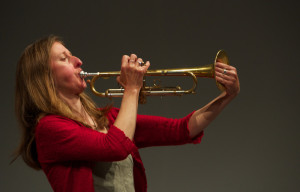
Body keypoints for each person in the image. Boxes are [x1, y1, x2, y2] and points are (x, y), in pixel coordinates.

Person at [13, 35, 240, 192]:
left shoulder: (110, 119)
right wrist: (132, 89)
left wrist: (227, 96)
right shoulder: (50, 128)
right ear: (43, 77)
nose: (78, 61)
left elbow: (182, 129)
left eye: (72, 55)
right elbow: (115, 147)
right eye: (64, 58)